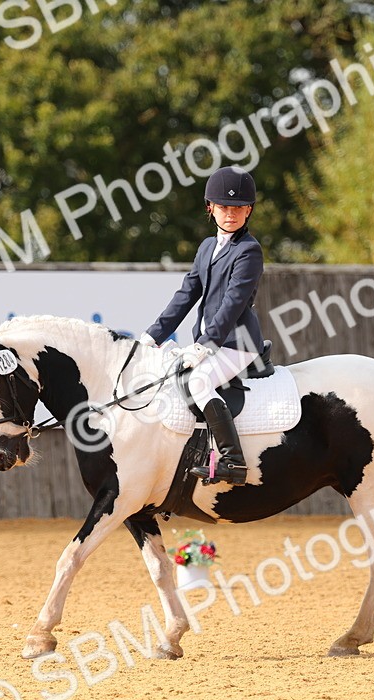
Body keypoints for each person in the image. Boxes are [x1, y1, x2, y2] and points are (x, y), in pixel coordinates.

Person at [140, 166, 265, 486]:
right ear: (210, 207)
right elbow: (186, 294)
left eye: (239, 208)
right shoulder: (207, 247)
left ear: (249, 210)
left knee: (197, 383)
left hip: (237, 343)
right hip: (209, 340)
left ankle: (234, 462)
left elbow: (233, 304)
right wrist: (153, 335)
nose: (231, 214)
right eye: (224, 207)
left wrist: (205, 345)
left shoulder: (248, 251)